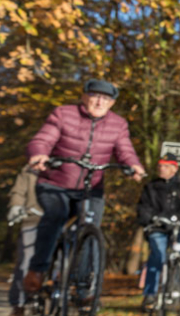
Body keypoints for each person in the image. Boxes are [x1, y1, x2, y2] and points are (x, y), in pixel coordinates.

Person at [22, 78, 146, 296]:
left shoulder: (118, 124)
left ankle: (82, 285)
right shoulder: (63, 113)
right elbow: (43, 138)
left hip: (91, 187)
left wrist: (133, 165)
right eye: (95, 96)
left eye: (106, 98)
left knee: (91, 226)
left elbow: (125, 149)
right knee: (55, 216)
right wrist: (39, 153)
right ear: (84, 96)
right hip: (55, 184)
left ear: (112, 103)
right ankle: (37, 270)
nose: (99, 102)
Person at [135, 153, 180, 311]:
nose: (162, 168)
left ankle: (175, 286)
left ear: (174, 168)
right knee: (158, 253)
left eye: (166, 166)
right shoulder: (151, 187)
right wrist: (151, 219)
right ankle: (150, 294)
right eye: (160, 165)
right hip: (157, 228)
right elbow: (143, 208)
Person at [6, 165, 44, 315]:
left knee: (65, 260)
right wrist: (16, 205)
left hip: (60, 221)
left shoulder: (70, 162)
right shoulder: (31, 167)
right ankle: (19, 304)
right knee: (25, 262)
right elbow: (19, 191)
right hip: (33, 219)